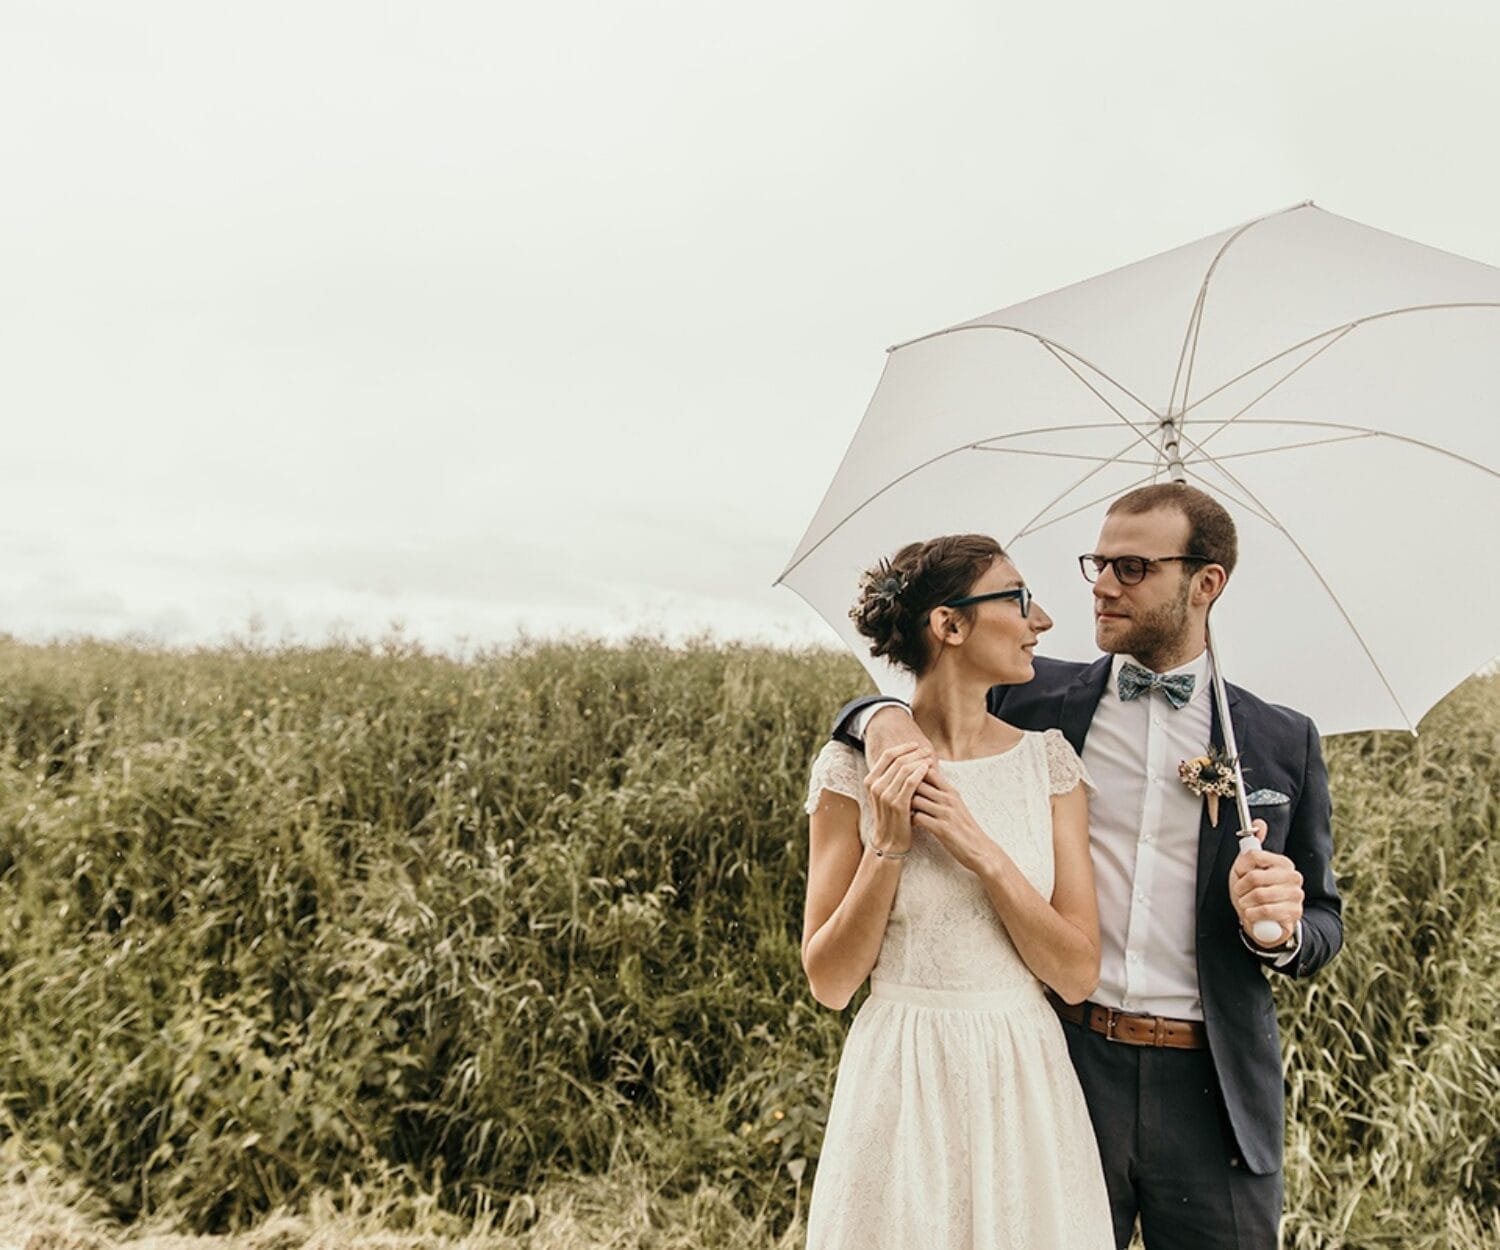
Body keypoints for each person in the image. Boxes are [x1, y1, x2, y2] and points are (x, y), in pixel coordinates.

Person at [833, 484, 1344, 1250]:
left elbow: (1325, 922)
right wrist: (878, 719)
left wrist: (1282, 928)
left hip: (1214, 1087)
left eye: (1131, 568)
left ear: (1205, 583)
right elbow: (919, 688)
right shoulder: (1034, 700)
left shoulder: (1279, 740)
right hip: (1063, 1063)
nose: (1102, 585)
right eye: (1097, 563)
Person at [801, 533, 1114, 1250]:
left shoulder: (1049, 765)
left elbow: (1077, 974)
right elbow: (830, 982)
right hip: (899, 1073)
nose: (1042, 621)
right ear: (949, 624)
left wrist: (983, 853)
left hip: (1021, 1073)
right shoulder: (850, 769)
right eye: (1020, 599)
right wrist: (888, 846)